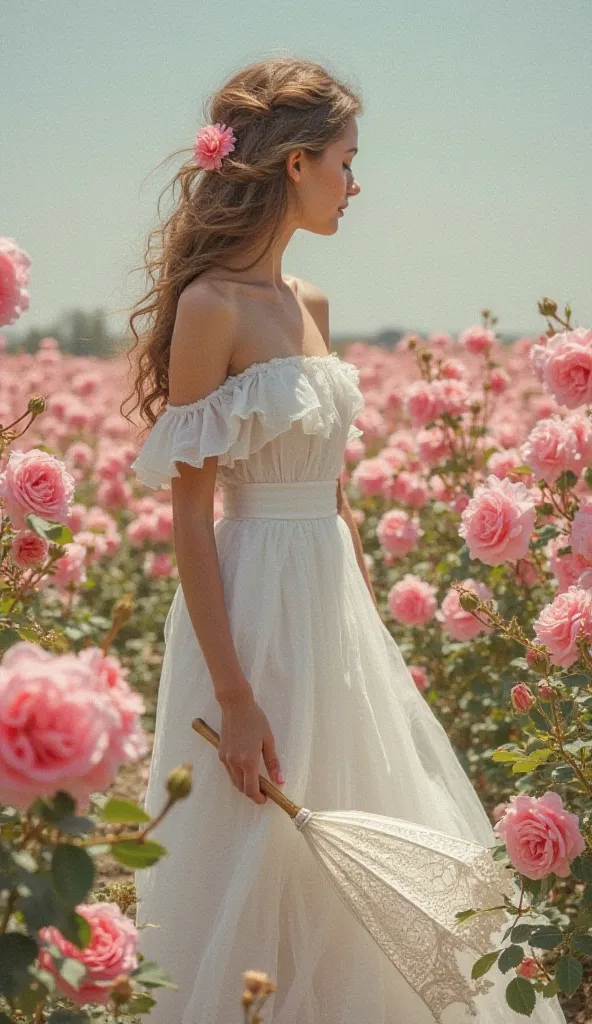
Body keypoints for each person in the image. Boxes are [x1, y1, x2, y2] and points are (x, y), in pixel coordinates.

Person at [123, 56, 567, 1024]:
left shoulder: (310, 304)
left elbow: (332, 498)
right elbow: (190, 515)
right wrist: (233, 696)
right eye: (345, 162)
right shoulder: (212, 308)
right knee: (254, 852)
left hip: (332, 605)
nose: (355, 185)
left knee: (354, 831)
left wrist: (375, 638)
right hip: (248, 610)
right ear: (294, 166)